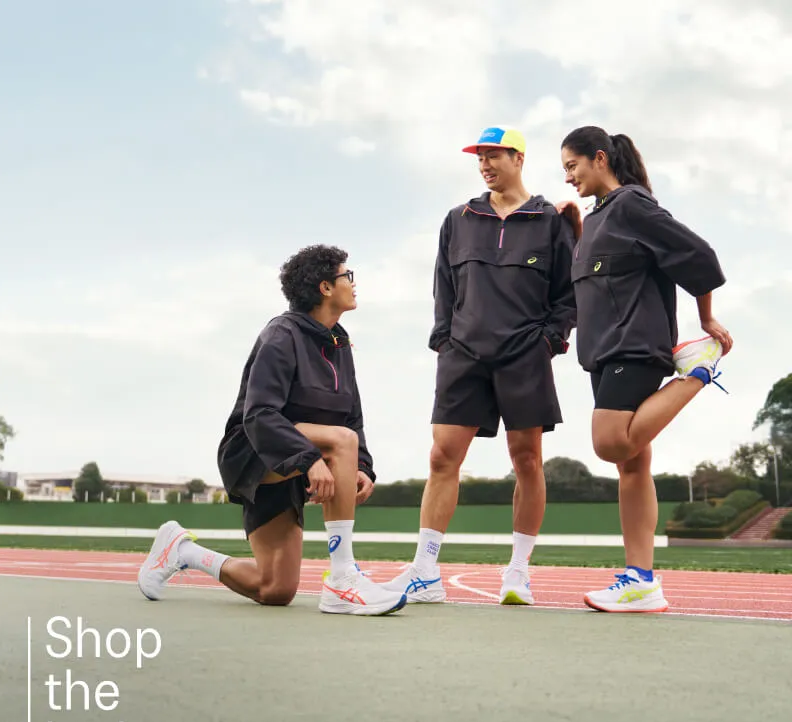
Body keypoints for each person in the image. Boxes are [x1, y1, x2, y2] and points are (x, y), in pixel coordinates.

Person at [137, 244, 407, 616]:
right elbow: (260, 413)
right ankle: (343, 579)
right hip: (253, 451)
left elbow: (352, 418)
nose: (353, 283)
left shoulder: (339, 344)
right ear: (326, 287)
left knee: (275, 589)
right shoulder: (281, 336)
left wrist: (361, 466)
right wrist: (311, 458)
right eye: (348, 276)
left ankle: (183, 551)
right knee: (340, 441)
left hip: (297, 458)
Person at [381, 126, 577, 606]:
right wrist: (445, 342)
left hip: (524, 354)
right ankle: (425, 570)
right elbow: (442, 288)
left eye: (494, 156)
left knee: (526, 459)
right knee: (442, 457)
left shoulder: (550, 220)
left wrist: (549, 341)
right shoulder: (459, 218)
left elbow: (567, 294)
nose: (485, 165)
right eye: (479, 158)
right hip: (463, 355)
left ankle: (517, 571)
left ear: (519, 158)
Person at [557, 125, 733, 613]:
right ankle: (642, 579)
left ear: (599, 159)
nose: (568, 177)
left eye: (572, 166)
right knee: (631, 464)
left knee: (610, 441)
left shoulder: (633, 204)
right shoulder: (597, 219)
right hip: (602, 350)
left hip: (633, 344)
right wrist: (576, 227)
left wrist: (705, 320)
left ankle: (697, 370)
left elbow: (697, 255)